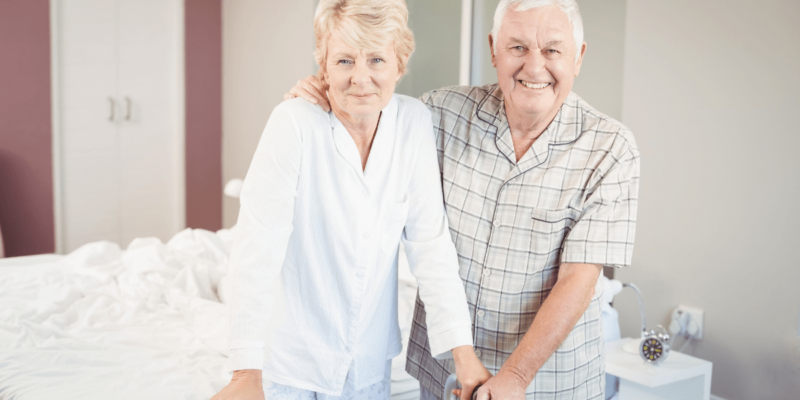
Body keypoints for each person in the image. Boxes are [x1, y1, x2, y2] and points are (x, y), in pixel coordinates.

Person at [285, 0, 641, 399]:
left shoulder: (611, 148)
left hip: (550, 380)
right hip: (445, 373)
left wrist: (516, 377)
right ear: (494, 49)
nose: (534, 67)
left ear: (579, 56)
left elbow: (579, 278)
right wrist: (322, 98)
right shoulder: (440, 113)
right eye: (518, 47)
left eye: (553, 49)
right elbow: (368, 109)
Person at [212, 1, 491, 399]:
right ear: (322, 66)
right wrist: (245, 373)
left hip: (369, 363)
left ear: (400, 64)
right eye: (344, 60)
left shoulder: (413, 123)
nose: (361, 78)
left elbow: (430, 245)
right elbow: (256, 251)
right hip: (289, 365)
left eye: (377, 59)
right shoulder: (293, 122)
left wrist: (463, 355)